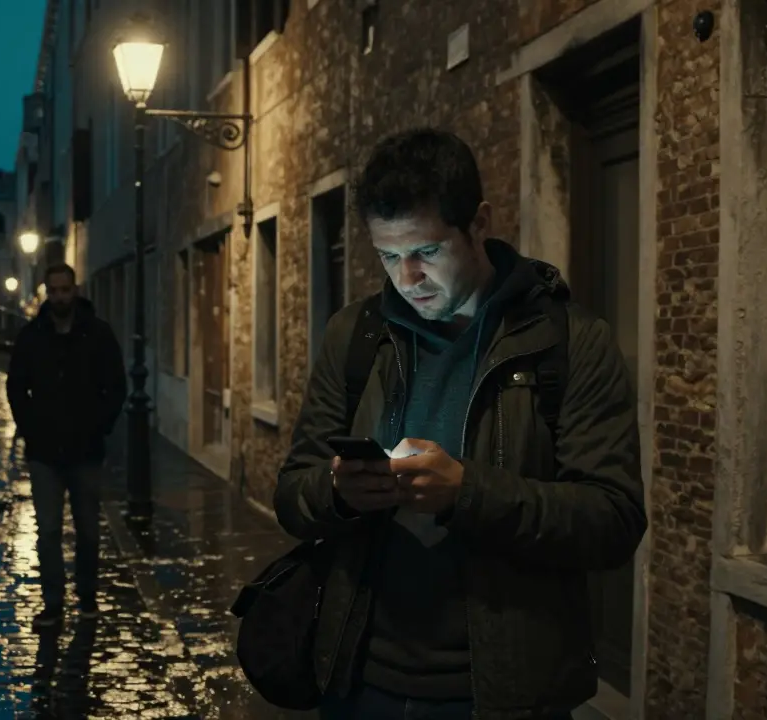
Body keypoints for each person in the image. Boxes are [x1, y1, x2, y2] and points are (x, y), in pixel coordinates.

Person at [273, 128, 647, 720]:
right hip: (356, 681)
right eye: (388, 257)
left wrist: (466, 493)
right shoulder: (356, 336)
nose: (407, 278)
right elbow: (293, 494)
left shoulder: (571, 343)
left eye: (426, 252)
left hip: (504, 694)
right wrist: (339, 493)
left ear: (479, 224)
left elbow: (613, 520)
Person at [6, 263, 127, 628]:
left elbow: (116, 387)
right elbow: (16, 388)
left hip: (86, 451)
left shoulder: (98, 335)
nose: (60, 297)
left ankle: (87, 598)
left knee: (89, 530)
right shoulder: (31, 337)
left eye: (65, 290)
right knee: (49, 531)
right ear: (47, 292)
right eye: (54, 290)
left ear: (75, 290)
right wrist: (30, 428)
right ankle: (54, 603)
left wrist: (99, 426)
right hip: (44, 453)